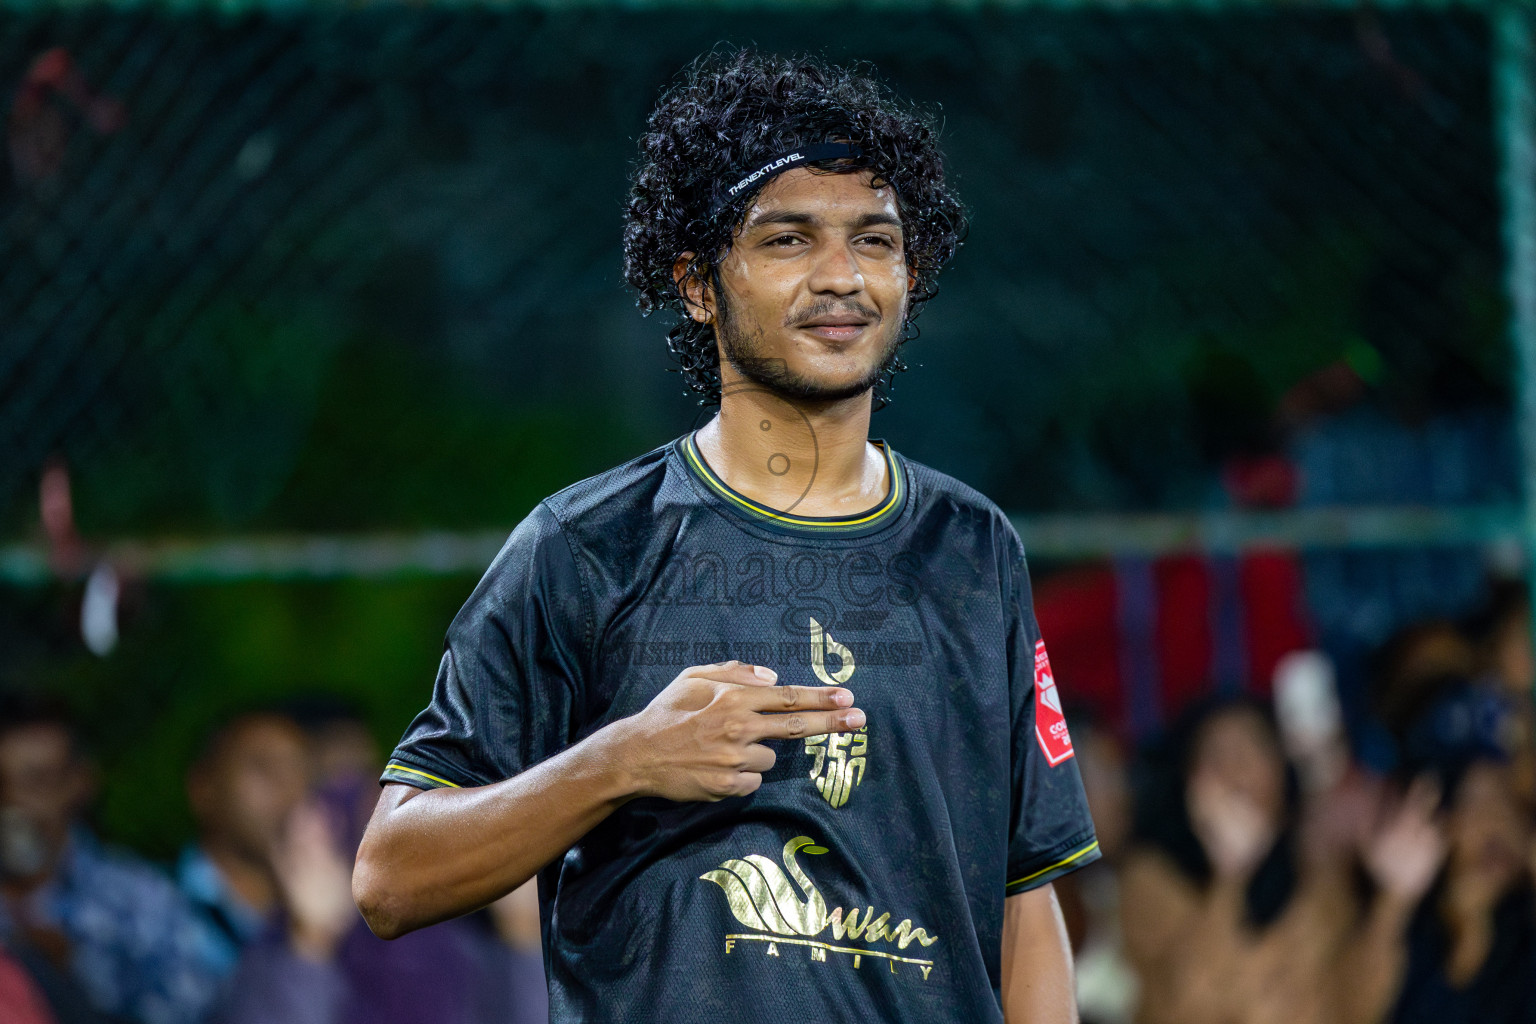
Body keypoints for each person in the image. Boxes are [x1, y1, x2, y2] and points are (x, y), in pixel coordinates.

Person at [354, 48, 1100, 1024]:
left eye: (874, 241)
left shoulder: (974, 549)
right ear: (699, 283)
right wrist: (620, 761)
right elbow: (389, 874)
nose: (842, 276)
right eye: (789, 239)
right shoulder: (585, 547)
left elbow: (1024, 900)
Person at [0, 696, 220, 1024]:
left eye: (36, 781)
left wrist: (75, 975)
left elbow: (197, 1014)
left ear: (80, 782)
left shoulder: (139, 900)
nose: (12, 802)